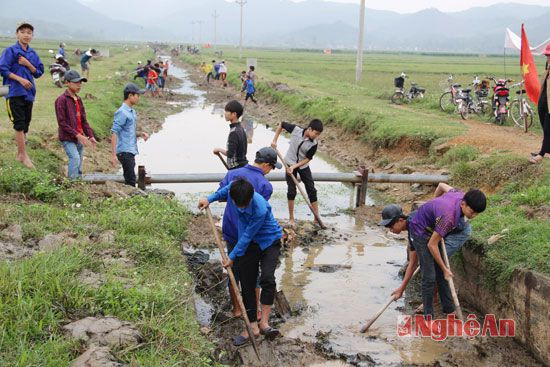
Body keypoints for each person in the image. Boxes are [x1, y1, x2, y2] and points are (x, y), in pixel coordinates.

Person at [380, 183, 486, 320]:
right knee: (429, 276)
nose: (474, 216)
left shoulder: (454, 206)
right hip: (423, 235)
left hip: (432, 232)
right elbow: (422, 253)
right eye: (472, 212)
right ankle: (429, 316)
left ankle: (446, 310)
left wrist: (435, 202)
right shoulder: (447, 216)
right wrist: (401, 289)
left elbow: (441, 185)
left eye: (476, 213)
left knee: (435, 271)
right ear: (463, 204)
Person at [198, 178, 283, 345]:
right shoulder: (233, 189)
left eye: (244, 205)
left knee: (267, 278)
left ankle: (264, 323)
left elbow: (246, 236)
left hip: (268, 241)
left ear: (251, 197)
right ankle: (252, 327)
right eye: (238, 204)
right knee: (247, 282)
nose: (241, 208)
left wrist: (232, 257)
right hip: (251, 244)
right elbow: (222, 192)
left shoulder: (260, 208)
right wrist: (209, 199)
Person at [217, 147, 282, 319]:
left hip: (231, 230)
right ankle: (256, 312)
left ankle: (237, 309)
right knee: (252, 274)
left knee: (233, 272)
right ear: (267, 165)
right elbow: (256, 216)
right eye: (272, 168)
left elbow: (222, 195)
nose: (270, 171)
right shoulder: (264, 185)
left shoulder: (233, 174)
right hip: (250, 236)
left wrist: (210, 199)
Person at [0, 22, 44, 168]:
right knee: (18, 123)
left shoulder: (32, 54)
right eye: (23, 32)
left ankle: (21, 154)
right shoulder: (10, 51)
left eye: (29, 32)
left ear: (32, 36)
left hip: (29, 93)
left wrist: (27, 64)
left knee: (26, 124)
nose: (26, 35)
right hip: (13, 91)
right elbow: (3, 69)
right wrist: (20, 79)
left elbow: (38, 72)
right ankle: (23, 155)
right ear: (17, 34)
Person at [271, 119, 323, 226]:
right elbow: (282, 124)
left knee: (311, 190)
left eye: (318, 134)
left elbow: (308, 159)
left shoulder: (314, 144)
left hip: (302, 166)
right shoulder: (296, 130)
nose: (316, 136)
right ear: (310, 129)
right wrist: (274, 140)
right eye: (316, 133)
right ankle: (291, 219)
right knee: (291, 191)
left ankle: (316, 218)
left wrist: (295, 166)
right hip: (289, 163)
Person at [55, 70, 96, 179]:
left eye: (80, 82)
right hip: (68, 137)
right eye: (76, 82)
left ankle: (79, 183)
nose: (79, 85)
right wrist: (77, 135)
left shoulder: (78, 99)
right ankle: (72, 185)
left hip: (79, 137)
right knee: (75, 158)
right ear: (67, 83)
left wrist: (90, 135)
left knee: (79, 162)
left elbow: (84, 120)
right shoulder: (61, 100)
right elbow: (62, 123)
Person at [111, 83, 149, 186]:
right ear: (130, 96)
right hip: (124, 151)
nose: (138, 98)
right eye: (137, 95)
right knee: (130, 181)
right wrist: (113, 155)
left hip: (130, 151)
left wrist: (141, 134)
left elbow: (128, 131)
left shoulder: (131, 112)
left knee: (130, 178)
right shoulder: (122, 112)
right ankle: (129, 200)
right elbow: (114, 132)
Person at [213, 100, 248, 169]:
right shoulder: (241, 128)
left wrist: (218, 149)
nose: (225, 113)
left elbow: (230, 154)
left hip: (236, 169)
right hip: (243, 166)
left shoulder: (234, 132)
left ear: (234, 114)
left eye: (227, 111)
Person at [530, 44, 550, 164]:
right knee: (545, 127)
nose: (548, 58)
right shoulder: (547, 70)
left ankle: (542, 154)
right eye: (547, 55)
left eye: (549, 55)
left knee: (548, 128)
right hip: (544, 103)